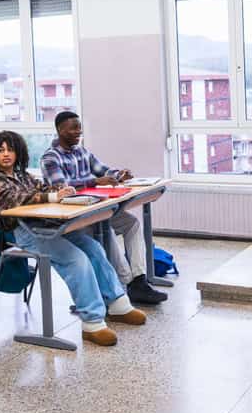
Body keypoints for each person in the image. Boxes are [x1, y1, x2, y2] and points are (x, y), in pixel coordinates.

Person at [0, 131, 146, 346]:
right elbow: (17, 199)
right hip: (19, 232)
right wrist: (51, 196)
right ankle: (92, 322)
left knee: (93, 248)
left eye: (10, 150)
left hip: (43, 224)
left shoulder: (23, 175)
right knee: (75, 258)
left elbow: (42, 188)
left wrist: (61, 190)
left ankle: (117, 303)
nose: (6, 154)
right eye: (0, 150)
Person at [41, 111, 167, 305]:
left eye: (79, 127)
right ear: (60, 130)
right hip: (74, 216)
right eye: (73, 128)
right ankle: (128, 283)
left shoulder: (82, 152)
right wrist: (95, 181)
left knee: (131, 223)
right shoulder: (50, 158)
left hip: (95, 207)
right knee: (105, 228)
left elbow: (102, 170)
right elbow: (62, 186)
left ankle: (139, 279)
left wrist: (118, 174)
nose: (78, 131)